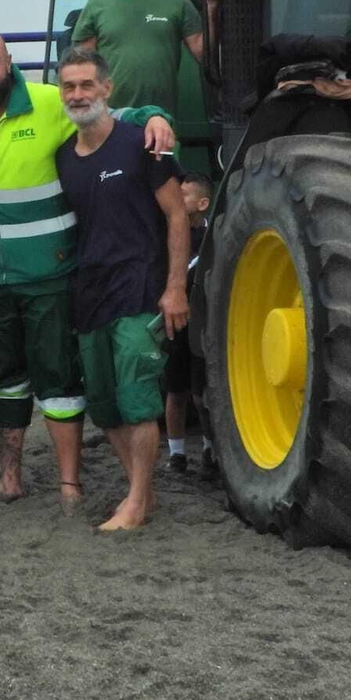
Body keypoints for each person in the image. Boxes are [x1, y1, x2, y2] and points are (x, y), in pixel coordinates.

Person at [0, 30, 174, 514]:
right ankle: (10, 477)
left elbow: (113, 114)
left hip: (49, 272)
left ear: (9, 62)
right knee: (2, 377)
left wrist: (157, 116)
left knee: (60, 379)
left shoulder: (51, 101)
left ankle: (71, 484)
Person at [55, 48, 190, 531]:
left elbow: (177, 215)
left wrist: (176, 288)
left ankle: (134, 504)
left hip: (139, 287)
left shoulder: (142, 143)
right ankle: (143, 492)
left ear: (107, 88)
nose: (78, 95)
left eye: (86, 85)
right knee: (105, 405)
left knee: (137, 400)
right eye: (69, 86)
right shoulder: (63, 157)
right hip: (90, 291)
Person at [72, 0, 206, 115]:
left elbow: (203, 54)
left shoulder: (178, 1)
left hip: (160, 119)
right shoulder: (97, 4)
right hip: (111, 120)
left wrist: (212, 5)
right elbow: (81, 66)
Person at [162, 172, 213, 475]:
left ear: (203, 203)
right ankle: (177, 454)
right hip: (176, 325)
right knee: (175, 390)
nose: (177, 199)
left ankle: (210, 449)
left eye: (184, 195)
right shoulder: (168, 233)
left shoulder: (213, 238)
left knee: (202, 393)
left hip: (203, 324)